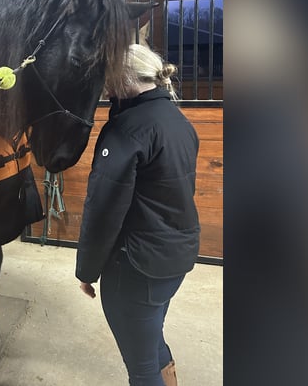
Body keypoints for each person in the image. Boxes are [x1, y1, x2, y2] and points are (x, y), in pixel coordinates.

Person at [75, 44, 200, 386]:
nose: (104, 84)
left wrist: (87, 270)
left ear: (123, 77)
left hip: (137, 266)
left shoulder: (126, 130)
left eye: (108, 75)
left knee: (141, 367)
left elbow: (103, 209)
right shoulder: (177, 120)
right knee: (151, 337)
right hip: (175, 256)